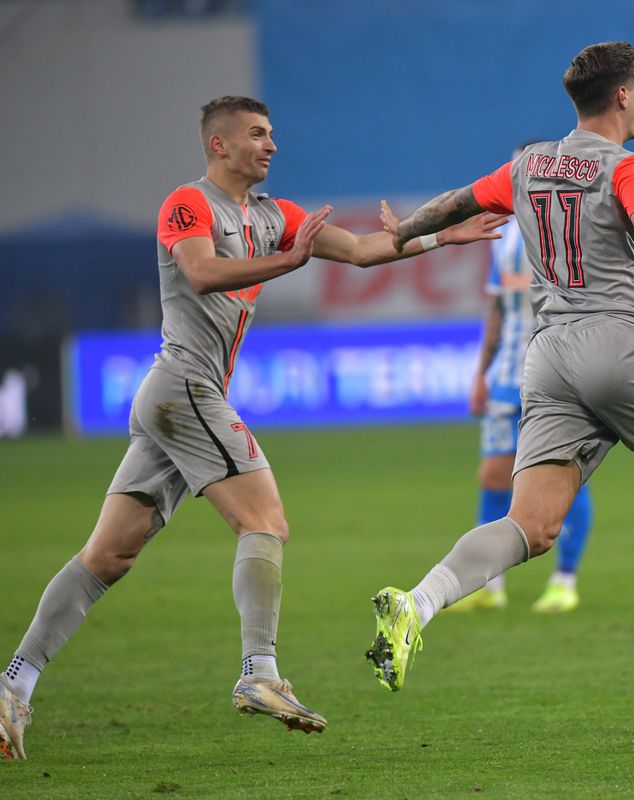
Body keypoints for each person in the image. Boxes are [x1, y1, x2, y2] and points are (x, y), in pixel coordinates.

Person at [0, 96, 504, 760]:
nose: (271, 145)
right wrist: (288, 263)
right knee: (264, 520)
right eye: (257, 135)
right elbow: (202, 273)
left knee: (108, 557)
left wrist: (436, 237)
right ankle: (259, 674)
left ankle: (14, 686)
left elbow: (357, 250)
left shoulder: (274, 216)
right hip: (185, 387)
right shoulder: (188, 204)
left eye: (272, 135)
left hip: (180, 400)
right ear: (219, 144)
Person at [365, 42, 634, 721]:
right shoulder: (631, 168)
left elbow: (452, 204)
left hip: (549, 354)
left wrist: (404, 233)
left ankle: (415, 604)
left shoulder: (528, 163)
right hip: (618, 341)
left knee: (531, 526)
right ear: (622, 95)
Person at [451, 167, 594, 615]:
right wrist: (482, 371)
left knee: (563, 479)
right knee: (494, 475)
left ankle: (564, 580)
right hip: (508, 374)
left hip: (558, 373)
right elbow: (497, 307)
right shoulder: (504, 236)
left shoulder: (570, 227)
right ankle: (488, 586)